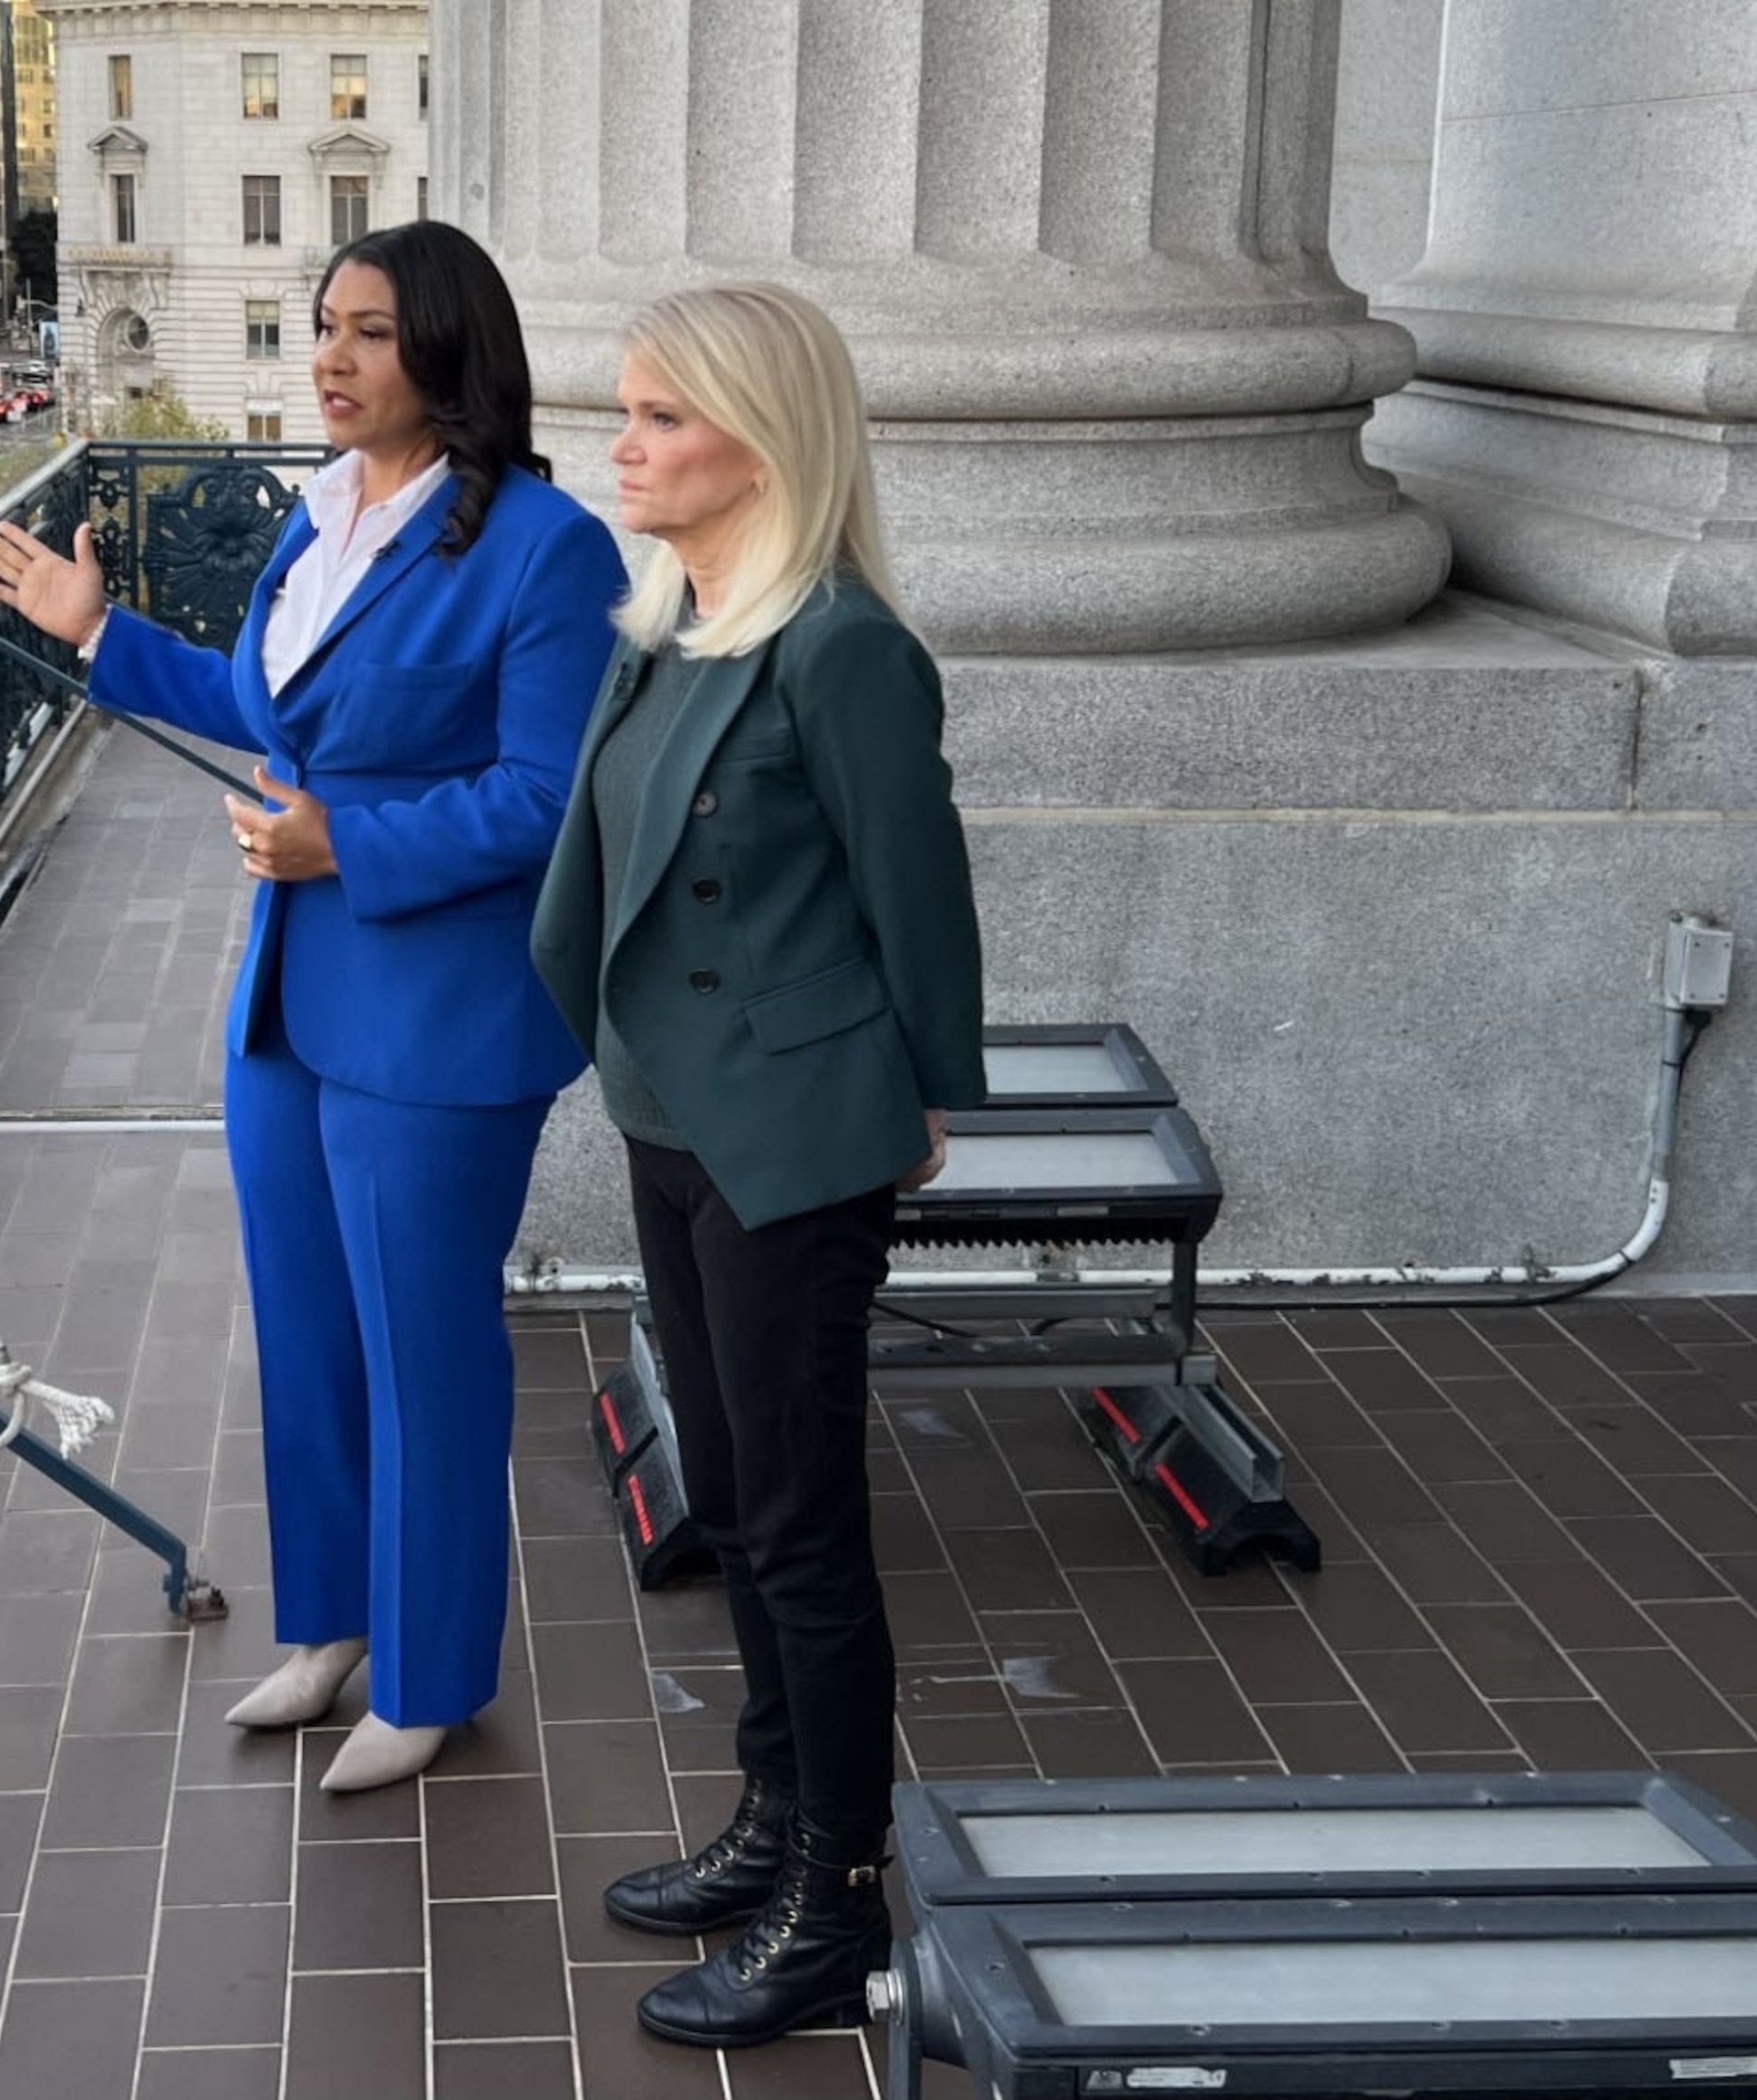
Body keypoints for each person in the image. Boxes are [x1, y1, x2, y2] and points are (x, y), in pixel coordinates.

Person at [0, 222, 625, 1793]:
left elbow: (554, 793)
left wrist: (354, 841)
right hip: (288, 998)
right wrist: (101, 639)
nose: (328, 359)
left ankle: (432, 1671)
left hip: (438, 1015)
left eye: (370, 334)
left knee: (427, 1353)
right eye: (321, 326)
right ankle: (330, 1627)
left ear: (451, 356)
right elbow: (276, 712)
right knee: (308, 1338)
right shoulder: (321, 514)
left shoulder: (546, 548)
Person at [529, 282, 986, 2046]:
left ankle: (829, 1898)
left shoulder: (843, 648)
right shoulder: (669, 623)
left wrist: (929, 1100)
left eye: (659, 420)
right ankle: (775, 1816)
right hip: (667, 1108)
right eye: (625, 413)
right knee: (725, 1495)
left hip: (790, 1137)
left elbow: (917, 895)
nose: (621, 448)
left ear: (764, 444)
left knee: (799, 1530)